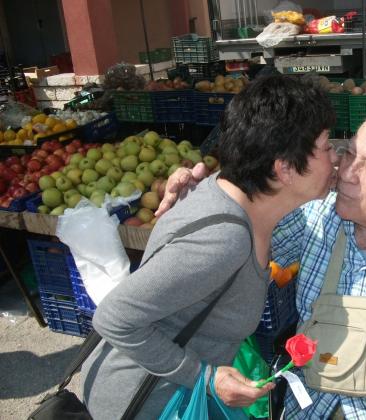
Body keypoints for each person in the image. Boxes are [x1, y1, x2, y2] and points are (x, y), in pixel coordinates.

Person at [159, 99, 366, 419]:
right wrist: (207, 200)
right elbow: (248, 234)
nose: (346, 173)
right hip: (309, 407)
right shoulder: (323, 208)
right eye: (349, 153)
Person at [80, 74, 338, 419]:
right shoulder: (223, 240)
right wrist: (205, 377)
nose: (335, 156)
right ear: (285, 169)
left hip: (177, 394)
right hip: (148, 403)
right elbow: (114, 318)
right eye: (326, 146)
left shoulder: (238, 197)